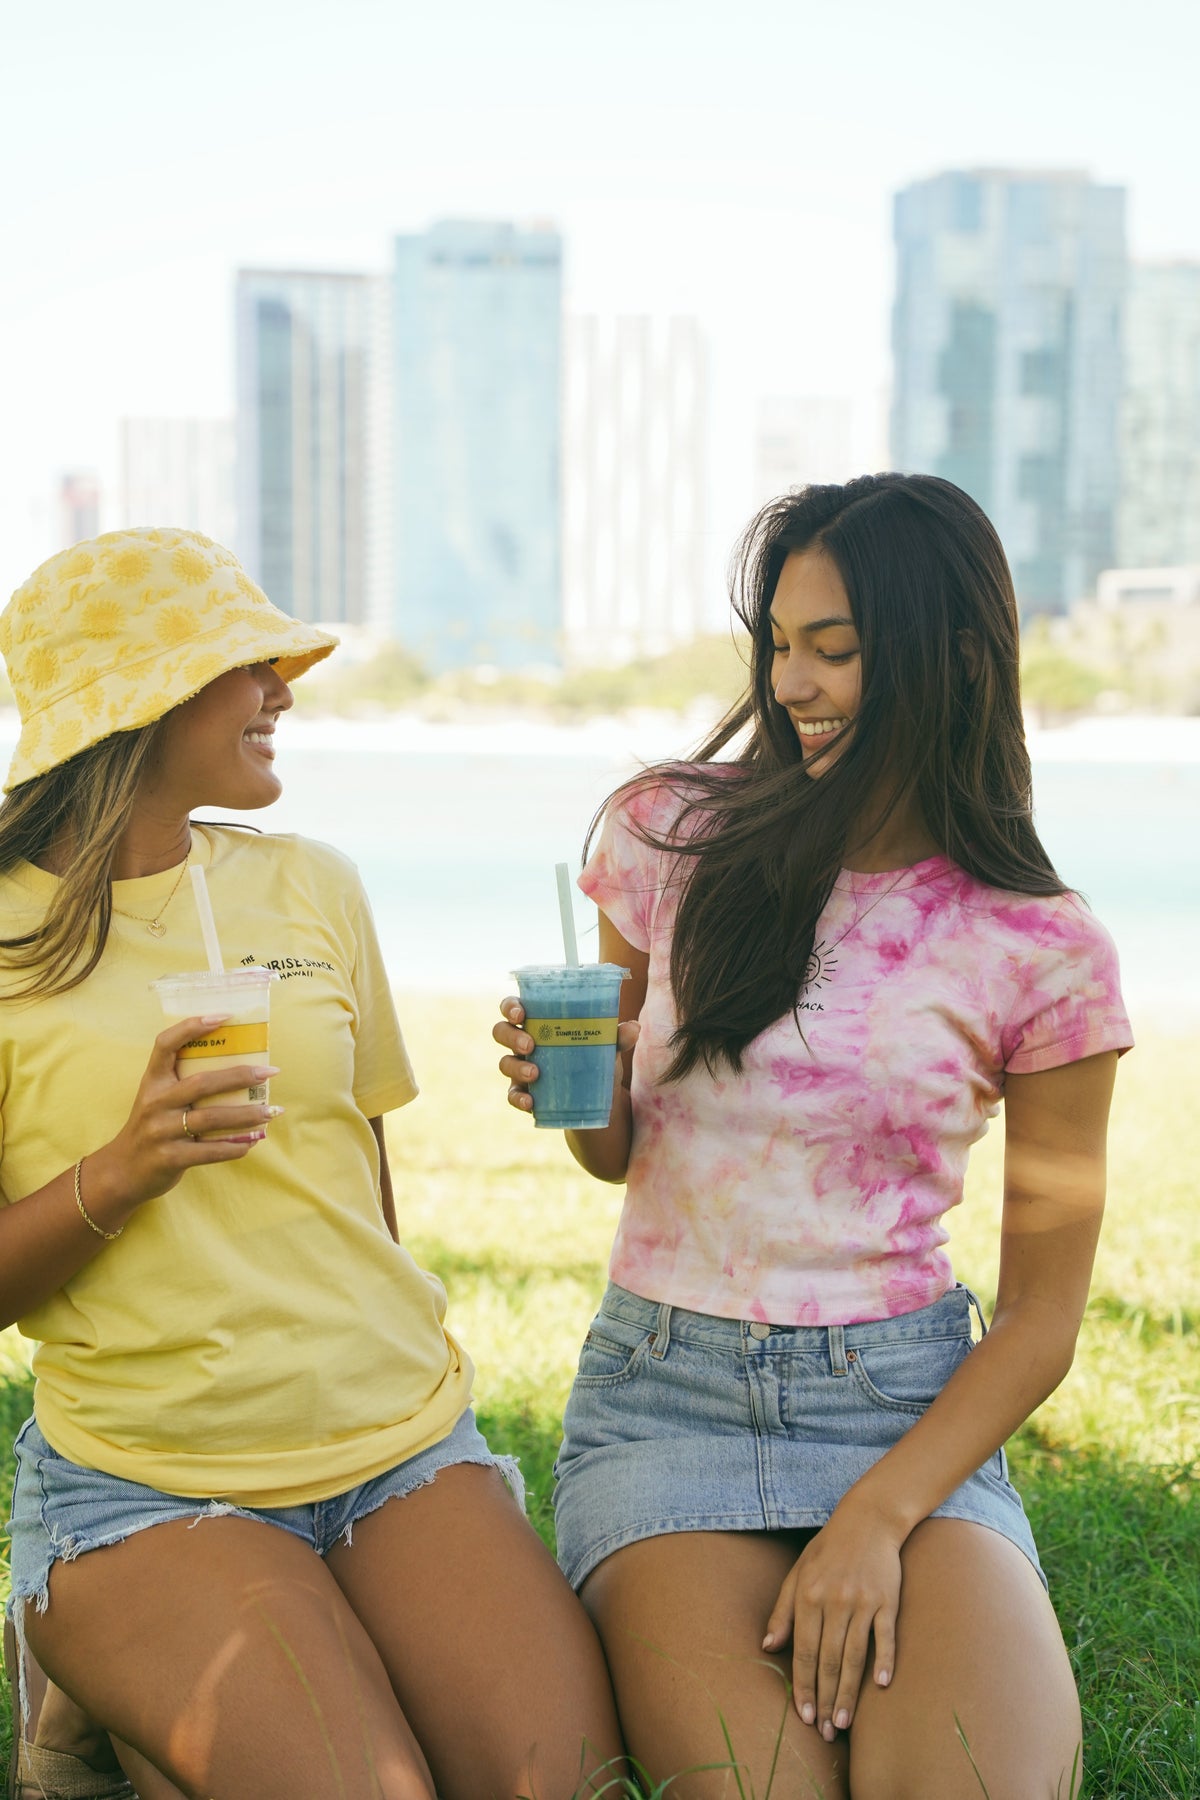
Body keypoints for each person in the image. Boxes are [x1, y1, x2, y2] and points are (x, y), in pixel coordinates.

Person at [495, 474, 1133, 1800]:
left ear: (954, 656)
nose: (793, 683)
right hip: (668, 1400)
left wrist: (881, 1519)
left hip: (904, 1407)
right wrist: (585, 1084)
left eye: (834, 650)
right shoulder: (669, 835)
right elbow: (613, 1158)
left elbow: (1041, 1324)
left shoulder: (1044, 947)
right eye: (780, 645)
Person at [0, 528, 621, 1800]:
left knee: (569, 1788)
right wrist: (123, 1171)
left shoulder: (311, 887)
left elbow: (360, 1183)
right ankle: (104, 1660)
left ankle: (181, 1703)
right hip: (151, 1480)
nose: (286, 688)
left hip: (397, 1442)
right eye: (249, 664)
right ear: (145, 694)